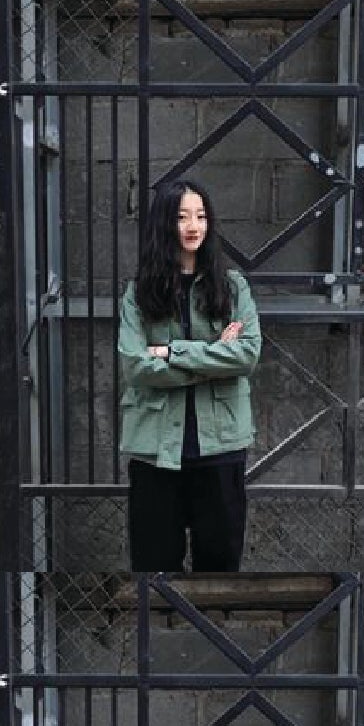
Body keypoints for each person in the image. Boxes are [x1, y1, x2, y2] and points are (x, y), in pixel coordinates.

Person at [118, 179, 261, 573]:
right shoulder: (139, 293)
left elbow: (247, 355)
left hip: (220, 448)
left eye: (200, 216)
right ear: (164, 225)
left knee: (220, 566)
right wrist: (215, 357)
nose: (193, 226)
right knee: (154, 567)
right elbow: (135, 365)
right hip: (154, 450)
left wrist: (172, 352)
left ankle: (210, 634)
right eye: (182, 217)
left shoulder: (233, 288)